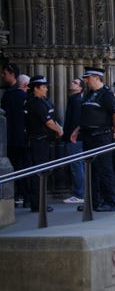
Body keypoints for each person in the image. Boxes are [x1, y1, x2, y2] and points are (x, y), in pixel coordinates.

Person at [71, 66, 115, 212]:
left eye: (88, 78)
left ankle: (109, 202)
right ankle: (93, 201)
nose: (86, 81)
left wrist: (114, 130)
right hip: (88, 136)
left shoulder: (106, 95)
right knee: (91, 170)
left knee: (105, 169)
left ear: (96, 77)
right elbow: (86, 115)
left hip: (101, 135)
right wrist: (77, 129)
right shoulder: (88, 94)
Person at [24, 75, 62, 212]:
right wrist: (59, 130)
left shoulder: (40, 101)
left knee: (41, 172)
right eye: (44, 87)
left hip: (41, 141)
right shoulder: (36, 103)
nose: (46, 89)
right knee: (39, 172)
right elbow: (48, 122)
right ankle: (38, 204)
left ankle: (38, 202)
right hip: (39, 141)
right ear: (36, 88)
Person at [1, 62, 28, 206]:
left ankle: (20, 195)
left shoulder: (12, 95)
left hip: (12, 138)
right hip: (19, 138)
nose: (2, 76)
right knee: (22, 166)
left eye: (4, 73)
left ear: (12, 74)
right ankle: (23, 195)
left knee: (19, 166)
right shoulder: (19, 95)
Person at [61, 77, 85, 204]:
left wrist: (72, 135)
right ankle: (80, 192)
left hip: (74, 138)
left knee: (76, 165)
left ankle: (79, 194)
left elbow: (76, 121)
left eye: (75, 83)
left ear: (81, 88)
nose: (71, 83)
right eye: (72, 81)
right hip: (73, 137)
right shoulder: (74, 99)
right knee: (77, 165)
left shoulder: (77, 101)